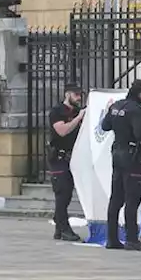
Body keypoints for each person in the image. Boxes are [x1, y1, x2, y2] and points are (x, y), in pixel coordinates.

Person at [100, 79, 141, 251]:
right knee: (133, 197)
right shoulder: (137, 109)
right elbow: (139, 133)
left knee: (116, 198)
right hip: (131, 156)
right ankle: (131, 239)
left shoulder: (116, 106)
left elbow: (105, 125)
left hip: (117, 153)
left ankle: (112, 238)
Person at [48, 82, 85, 242]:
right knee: (62, 193)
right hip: (59, 157)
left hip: (73, 157)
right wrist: (79, 118)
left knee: (67, 193)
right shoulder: (57, 111)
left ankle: (59, 226)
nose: (78, 98)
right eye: (75, 94)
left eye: (80, 95)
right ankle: (64, 229)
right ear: (67, 94)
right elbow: (62, 131)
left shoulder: (77, 111)